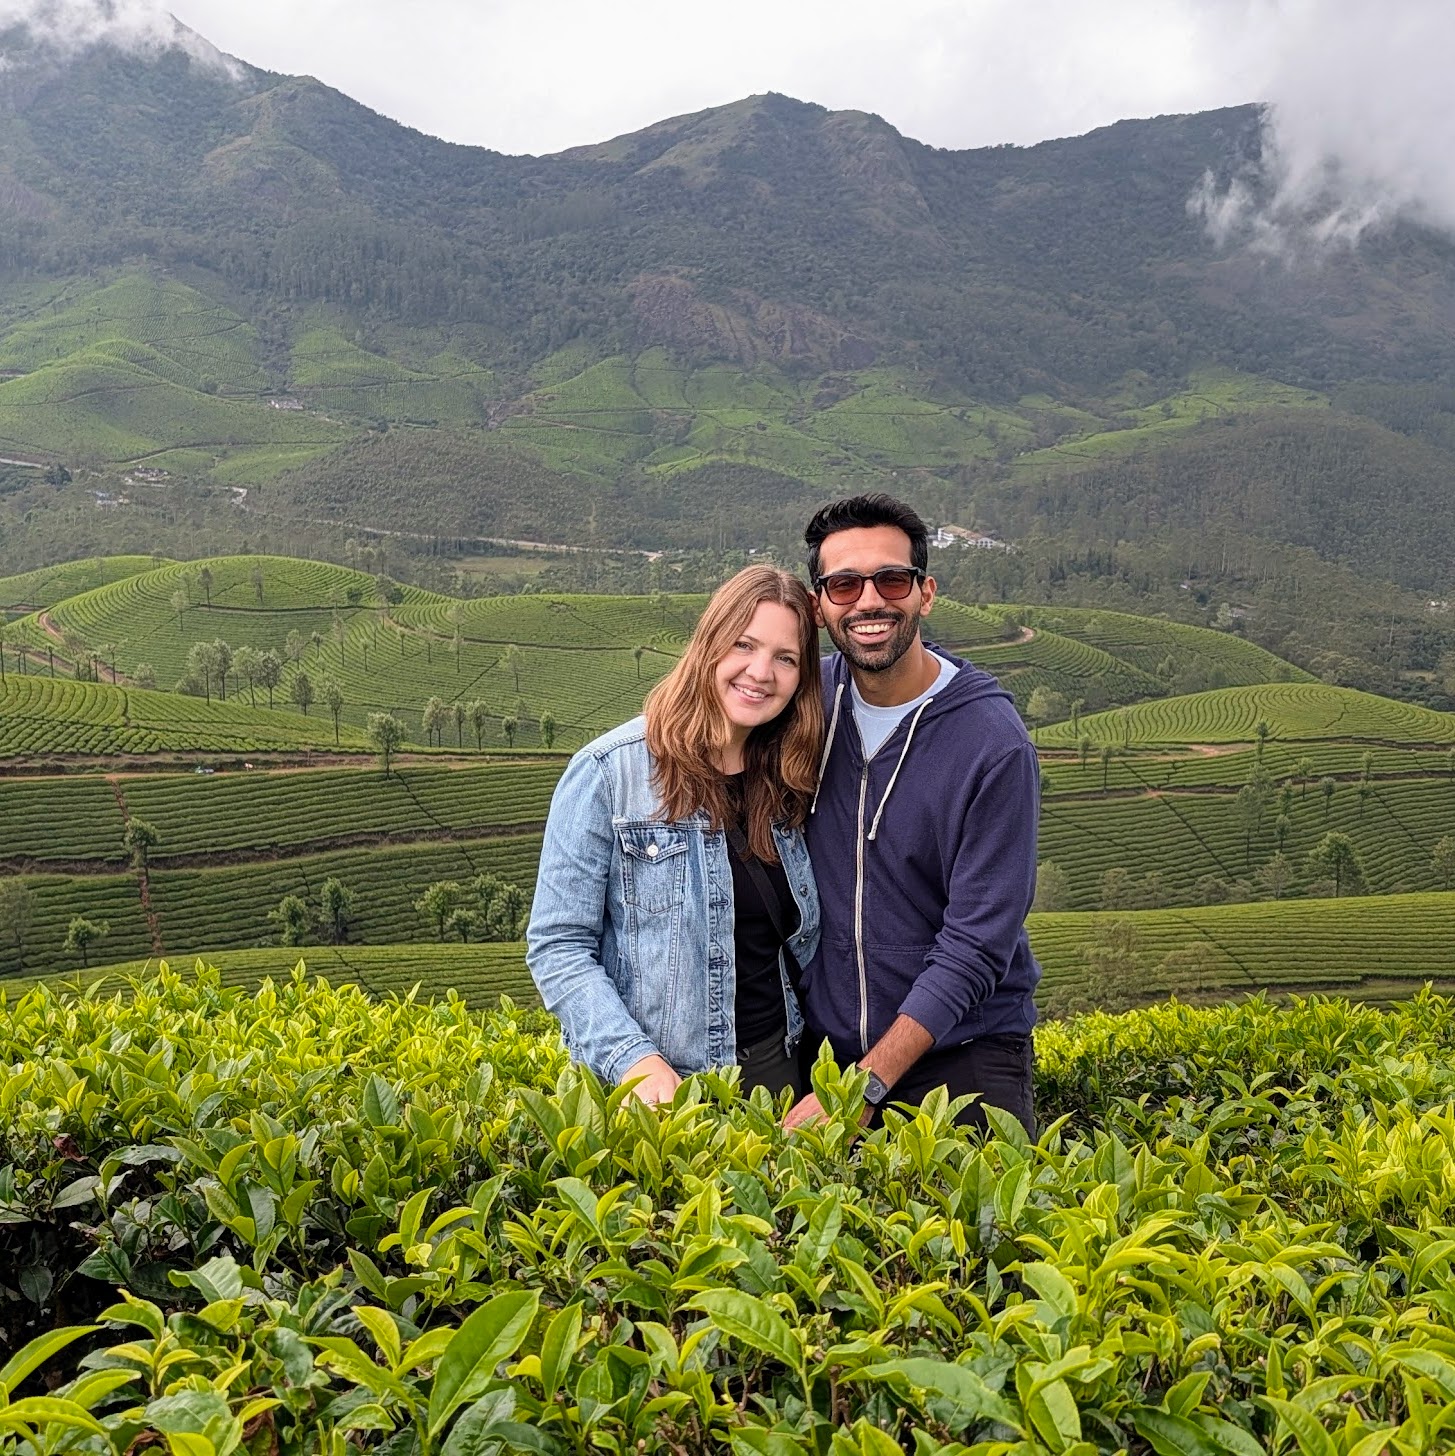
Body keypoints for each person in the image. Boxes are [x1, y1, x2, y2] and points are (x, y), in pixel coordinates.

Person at [784, 494, 1041, 1135]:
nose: (868, 600)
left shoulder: (992, 744)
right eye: (843, 584)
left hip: (962, 1049)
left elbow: (976, 947)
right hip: (825, 1048)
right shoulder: (802, 706)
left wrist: (866, 1084)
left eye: (890, 579)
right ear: (819, 607)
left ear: (924, 593)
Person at [527, 565, 823, 1103]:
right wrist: (635, 1062)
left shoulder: (791, 778)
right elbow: (558, 945)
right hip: (658, 1086)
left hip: (780, 1074)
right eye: (745, 645)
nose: (761, 672)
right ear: (709, 644)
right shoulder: (609, 772)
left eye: (786, 658)